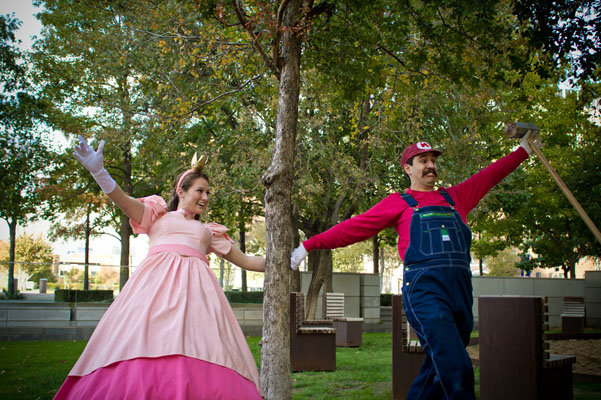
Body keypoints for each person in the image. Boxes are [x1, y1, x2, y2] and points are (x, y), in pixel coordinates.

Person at [290, 133, 540, 399]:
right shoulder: (400, 203)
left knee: (437, 367)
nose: (431, 165)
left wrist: (523, 150)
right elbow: (355, 227)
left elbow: (491, 175)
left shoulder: (456, 197)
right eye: (423, 160)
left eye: (433, 160)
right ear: (408, 168)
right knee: (457, 367)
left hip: (461, 293)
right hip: (425, 294)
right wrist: (310, 244)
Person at [54, 136, 264, 399]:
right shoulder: (157, 216)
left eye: (208, 192)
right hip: (153, 295)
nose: (205, 197)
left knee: (199, 350)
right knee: (144, 345)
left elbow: (246, 261)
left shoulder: (208, 232)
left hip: (197, 301)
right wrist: (99, 172)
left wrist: (287, 260)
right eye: (200, 190)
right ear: (181, 191)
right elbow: (123, 200)